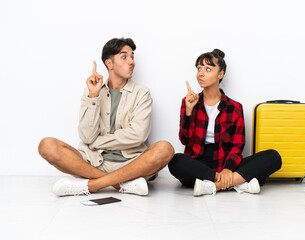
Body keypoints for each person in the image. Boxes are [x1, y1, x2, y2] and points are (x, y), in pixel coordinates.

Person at [38, 38, 174, 197]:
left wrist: (97, 142)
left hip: (132, 163)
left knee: (165, 149)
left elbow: (137, 135)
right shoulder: (92, 91)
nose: (131, 62)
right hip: (94, 162)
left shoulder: (141, 92)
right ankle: (121, 184)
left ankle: (92, 185)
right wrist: (93, 97)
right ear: (109, 63)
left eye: (132, 57)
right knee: (46, 145)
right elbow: (87, 136)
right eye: (124, 57)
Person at [168, 49, 282, 196]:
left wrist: (228, 169)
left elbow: (237, 145)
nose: (200, 74)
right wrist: (189, 111)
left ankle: (213, 186)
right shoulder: (189, 102)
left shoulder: (234, 107)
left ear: (220, 74)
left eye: (208, 69)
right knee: (176, 161)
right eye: (199, 69)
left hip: (227, 160)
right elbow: (185, 140)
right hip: (200, 162)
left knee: (273, 157)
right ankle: (236, 182)